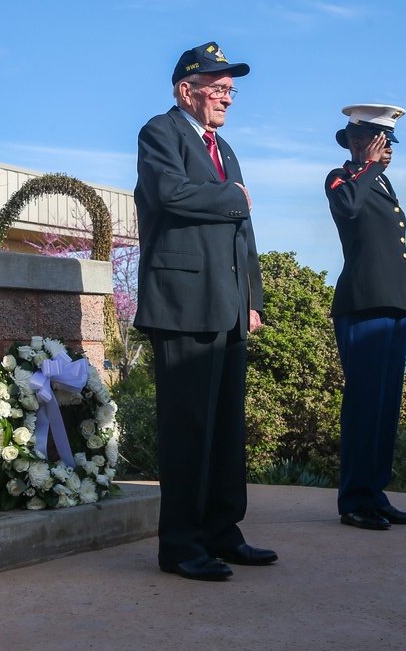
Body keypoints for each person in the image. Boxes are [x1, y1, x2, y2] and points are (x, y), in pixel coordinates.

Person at [134, 41, 276, 581]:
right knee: (188, 430)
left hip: (228, 304)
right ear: (185, 90)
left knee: (224, 428)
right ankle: (181, 546)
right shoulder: (160, 133)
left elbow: (244, 233)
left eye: (230, 91)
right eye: (218, 89)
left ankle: (222, 531)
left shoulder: (225, 148)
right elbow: (170, 194)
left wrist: (253, 298)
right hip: (182, 305)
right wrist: (235, 196)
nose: (227, 99)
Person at [326, 104, 406, 531]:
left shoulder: (379, 183)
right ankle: (354, 500)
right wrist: (366, 168)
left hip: (392, 305)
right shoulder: (343, 178)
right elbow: (346, 209)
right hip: (362, 306)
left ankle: (375, 493)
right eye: (384, 143)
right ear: (360, 141)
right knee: (363, 405)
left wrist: (373, 172)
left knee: (385, 407)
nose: (389, 152)